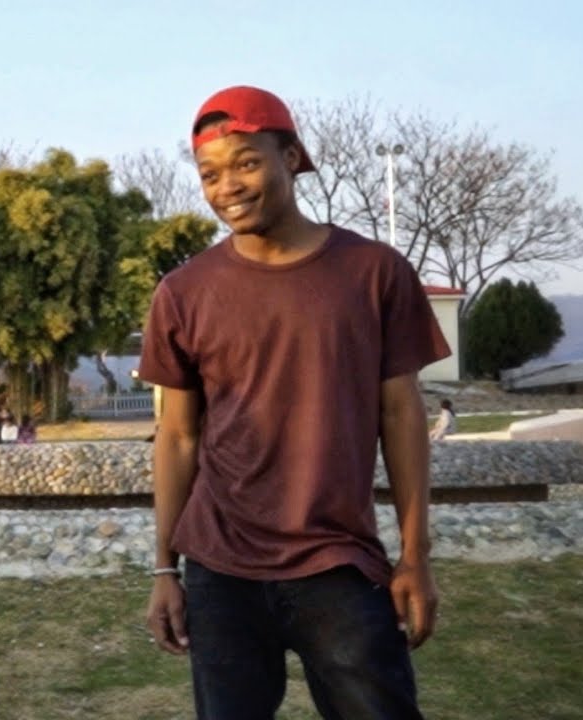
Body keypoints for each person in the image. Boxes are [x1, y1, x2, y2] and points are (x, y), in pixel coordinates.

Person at [139, 86, 450, 720]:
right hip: (219, 569)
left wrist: (414, 557)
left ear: (292, 157)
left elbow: (401, 416)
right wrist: (165, 571)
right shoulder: (183, 292)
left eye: (248, 162)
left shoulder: (374, 273)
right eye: (210, 173)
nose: (229, 185)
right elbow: (177, 438)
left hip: (337, 563)